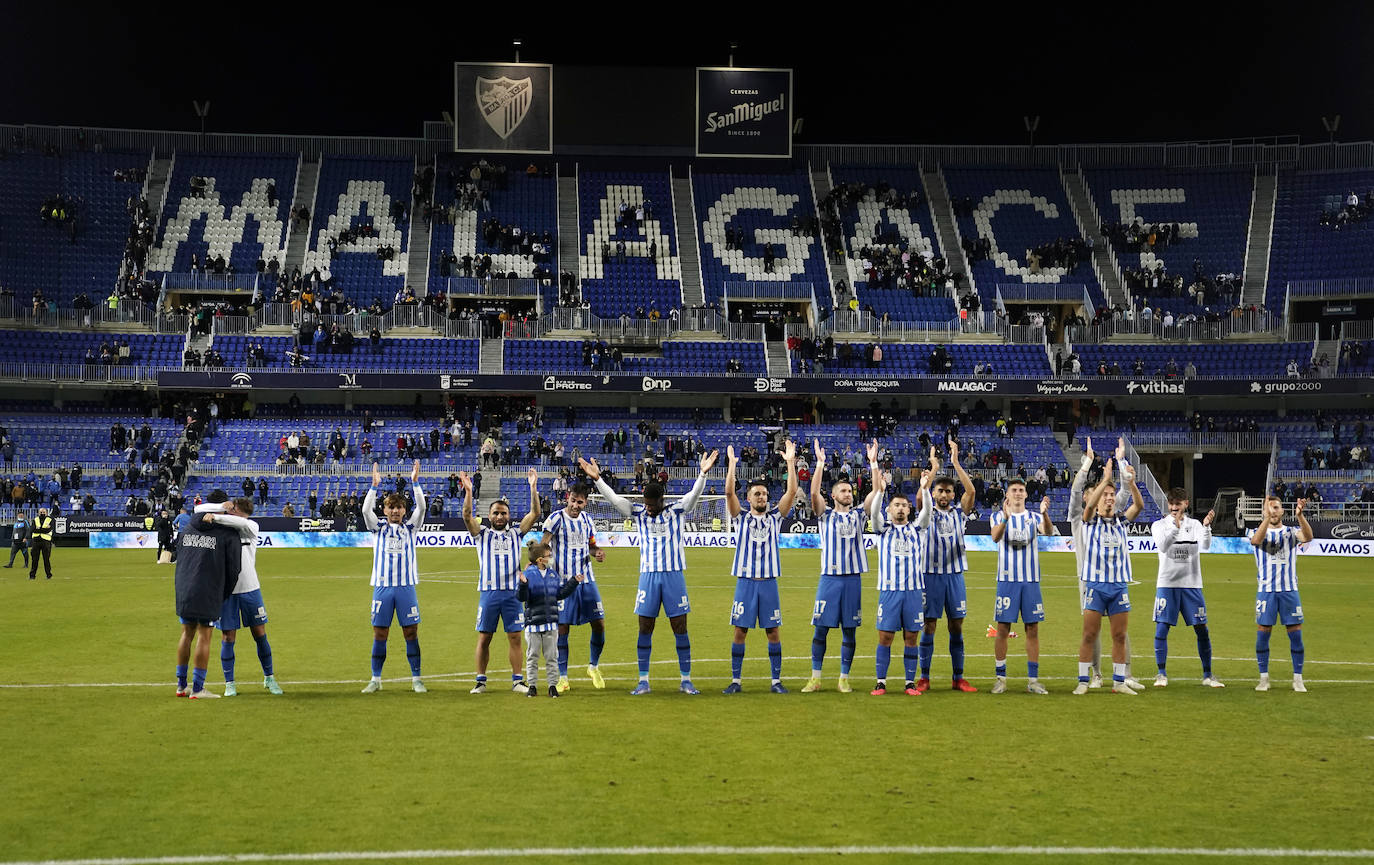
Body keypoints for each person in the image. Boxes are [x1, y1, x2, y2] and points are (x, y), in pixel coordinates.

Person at [580, 448, 719, 695]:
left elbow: (693, 496)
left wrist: (703, 475)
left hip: (674, 575)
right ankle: (643, 680)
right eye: (646, 504)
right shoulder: (638, 514)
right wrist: (597, 479)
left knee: (680, 627)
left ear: (661, 500)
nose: (649, 508)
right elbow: (614, 499)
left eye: (652, 504)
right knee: (645, 627)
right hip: (648, 577)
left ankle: (686, 679)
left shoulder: (676, 511)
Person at [721, 440, 799, 694]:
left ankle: (776, 681)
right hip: (745, 582)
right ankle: (736, 681)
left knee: (773, 632)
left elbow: (791, 493)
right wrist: (732, 465)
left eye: (764, 494)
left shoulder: (776, 518)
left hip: (768, 583)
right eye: (757, 494)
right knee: (740, 631)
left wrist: (790, 462)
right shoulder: (740, 518)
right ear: (749, 498)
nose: (762, 497)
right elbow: (729, 494)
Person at [802, 438, 878, 693]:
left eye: (850, 491)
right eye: (843, 491)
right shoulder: (825, 515)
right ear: (833, 495)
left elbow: (876, 494)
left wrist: (874, 464)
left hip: (852, 580)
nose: (848, 494)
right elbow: (813, 494)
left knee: (850, 632)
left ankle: (844, 678)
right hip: (830, 579)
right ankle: (815, 677)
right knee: (820, 629)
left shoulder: (858, 514)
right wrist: (820, 464)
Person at [461, 467, 541, 694]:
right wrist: (468, 491)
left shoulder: (516, 533)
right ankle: (480, 681)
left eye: (503, 513)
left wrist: (533, 487)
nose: (499, 516)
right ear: (489, 516)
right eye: (496, 513)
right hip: (489, 593)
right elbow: (467, 516)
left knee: (515, 637)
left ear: (509, 516)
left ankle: (517, 681)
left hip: (513, 593)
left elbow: (534, 514)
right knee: (485, 637)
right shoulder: (481, 535)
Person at [1069, 438, 1140, 690]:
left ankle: (1124, 675)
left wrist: (1122, 467)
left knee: (1119, 630)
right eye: (1095, 493)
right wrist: (1088, 463)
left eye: (1102, 494)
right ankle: (1096, 674)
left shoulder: (1111, 514)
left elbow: (1122, 496)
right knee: (1092, 631)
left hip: (1114, 579)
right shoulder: (1080, 519)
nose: (1102, 496)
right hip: (1088, 579)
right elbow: (1079, 493)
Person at [197, 498, 283, 696]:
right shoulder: (223, 527)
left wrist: (216, 517)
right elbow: (197, 509)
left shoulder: (251, 526)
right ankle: (230, 683)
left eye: (230, 510)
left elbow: (240, 522)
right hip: (227, 591)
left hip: (251, 588)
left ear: (236, 510)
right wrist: (220, 507)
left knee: (260, 634)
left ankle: (269, 678)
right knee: (228, 637)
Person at [916, 440, 978, 693]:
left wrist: (955, 463)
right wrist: (933, 468)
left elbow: (971, 493)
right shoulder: (926, 512)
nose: (943, 495)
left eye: (948, 491)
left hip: (954, 576)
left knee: (956, 625)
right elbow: (920, 497)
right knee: (929, 625)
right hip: (930, 576)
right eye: (940, 491)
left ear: (953, 495)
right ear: (934, 493)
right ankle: (924, 677)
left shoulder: (958, 513)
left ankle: (958, 677)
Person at [867, 445, 930, 696]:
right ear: (889, 510)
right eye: (897, 505)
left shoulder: (917, 530)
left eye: (905, 505)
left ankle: (909, 683)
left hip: (914, 593)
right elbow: (873, 512)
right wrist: (881, 492)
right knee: (885, 637)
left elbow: (928, 511)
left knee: (911, 639)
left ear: (909, 509)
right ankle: (881, 681)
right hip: (890, 592)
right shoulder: (883, 530)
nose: (902, 508)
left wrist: (924, 489)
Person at [360, 461, 428, 694]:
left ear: (404, 511)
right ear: (385, 510)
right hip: (382, 587)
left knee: (411, 632)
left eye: (400, 507)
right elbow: (365, 511)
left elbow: (422, 508)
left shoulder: (411, 528)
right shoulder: (377, 528)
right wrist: (374, 486)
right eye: (392, 507)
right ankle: (375, 679)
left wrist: (415, 482)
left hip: (406, 587)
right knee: (380, 633)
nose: (396, 511)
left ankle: (416, 678)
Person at [1151, 488, 1223, 688]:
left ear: (1186, 504)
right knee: (1162, 629)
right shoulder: (1159, 525)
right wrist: (1175, 527)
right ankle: (1161, 674)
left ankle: (1208, 675)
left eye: (1178, 503)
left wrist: (1207, 527)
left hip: (1192, 585)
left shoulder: (1195, 525)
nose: (1174, 507)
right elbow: (1163, 546)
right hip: (1167, 584)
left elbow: (1206, 546)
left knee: (1202, 630)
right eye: (1172, 504)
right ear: (1168, 505)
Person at [173, 490, 241, 699]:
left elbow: (179, 558)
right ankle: (198, 687)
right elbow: (234, 570)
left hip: (185, 588)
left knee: (186, 634)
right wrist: (224, 593)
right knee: (205, 635)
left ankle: (181, 685)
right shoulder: (227, 533)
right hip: (209, 590)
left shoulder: (188, 527)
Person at [542, 482, 607, 693]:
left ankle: (593, 667)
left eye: (580, 502)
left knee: (599, 624)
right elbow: (544, 544)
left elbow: (591, 545)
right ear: (567, 498)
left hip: (587, 580)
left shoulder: (588, 520)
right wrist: (541, 564)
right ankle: (563, 677)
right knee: (562, 629)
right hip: (563, 582)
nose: (575, 505)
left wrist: (596, 553)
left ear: (586, 502)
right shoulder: (556, 518)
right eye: (573, 500)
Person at [989, 481, 1053, 694]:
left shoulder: (1034, 517)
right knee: (1003, 629)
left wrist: (1044, 514)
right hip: (1007, 581)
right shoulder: (998, 516)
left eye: (1021, 491)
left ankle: (1033, 681)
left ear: (1026, 494)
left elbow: (1049, 532)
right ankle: (1001, 679)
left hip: (1031, 580)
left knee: (1032, 629)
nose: (1017, 493)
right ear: (1007, 494)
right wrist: (1006, 517)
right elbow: (995, 537)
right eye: (1013, 490)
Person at [1250, 496, 1314, 692]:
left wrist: (1300, 516)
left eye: (1276, 508)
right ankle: (1264, 678)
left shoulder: (1291, 533)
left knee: (1296, 636)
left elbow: (1308, 537)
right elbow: (1256, 541)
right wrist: (1266, 519)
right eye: (1269, 509)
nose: (1273, 511)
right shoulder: (1255, 531)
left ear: (1283, 511)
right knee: (1263, 636)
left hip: (1289, 591)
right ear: (1264, 512)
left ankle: (1297, 678)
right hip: (1266, 592)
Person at [517, 540, 584, 698]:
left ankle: (552, 686)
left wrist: (573, 582)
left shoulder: (553, 574)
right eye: (549, 556)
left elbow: (559, 594)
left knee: (552, 656)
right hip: (533, 624)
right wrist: (523, 585)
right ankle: (532, 685)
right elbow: (522, 597)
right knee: (532, 656)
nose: (551, 558)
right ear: (540, 560)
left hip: (551, 622)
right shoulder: (528, 575)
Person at [28, 507, 55, 580]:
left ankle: (48, 575)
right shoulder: (35, 519)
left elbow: (48, 530)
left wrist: (38, 529)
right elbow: (32, 529)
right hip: (36, 541)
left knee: (46, 559)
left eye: (44, 512)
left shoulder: (50, 520)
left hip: (45, 542)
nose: (42, 513)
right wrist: (42, 529)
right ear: (38, 513)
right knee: (34, 560)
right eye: (41, 512)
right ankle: (32, 576)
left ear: (46, 513)